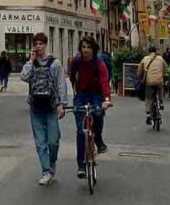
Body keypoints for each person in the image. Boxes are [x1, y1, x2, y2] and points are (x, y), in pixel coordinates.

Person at [20, 32, 67, 186]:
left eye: (41, 44)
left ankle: (52, 162)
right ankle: (46, 171)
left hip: (51, 107)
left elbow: (61, 84)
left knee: (53, 141)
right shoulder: (32, 63)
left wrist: (62, 105)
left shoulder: (55, 63)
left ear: (45, 45)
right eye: (36, 44)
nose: (38, 47)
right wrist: (30, 61)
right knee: (40, 142)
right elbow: (24, 77)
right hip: (35, 107)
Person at [69, 37, 112, 173]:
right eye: (83, 47)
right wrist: (75, 92)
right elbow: (72, 77)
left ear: (93, 49)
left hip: (96, 94)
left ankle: (98, 139)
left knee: (98, 114)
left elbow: (105, 81)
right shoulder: (76, 61)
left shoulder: (99, 63)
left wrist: (106, 99)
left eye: (88, 47)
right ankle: (81, 165)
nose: (85, 50)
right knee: (81, 130)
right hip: (81, 94)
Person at [137, 45, 168, 124]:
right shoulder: (161, 59)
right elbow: (165, 68)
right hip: (158, 80)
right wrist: (162, 75)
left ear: (149, 51)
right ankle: (161, 102)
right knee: (160, 88)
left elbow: (140, 70)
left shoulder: (145, 59)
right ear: (156, 51)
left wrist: (140, 77)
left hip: (149, 82)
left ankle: (148, 114)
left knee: (148, 97)